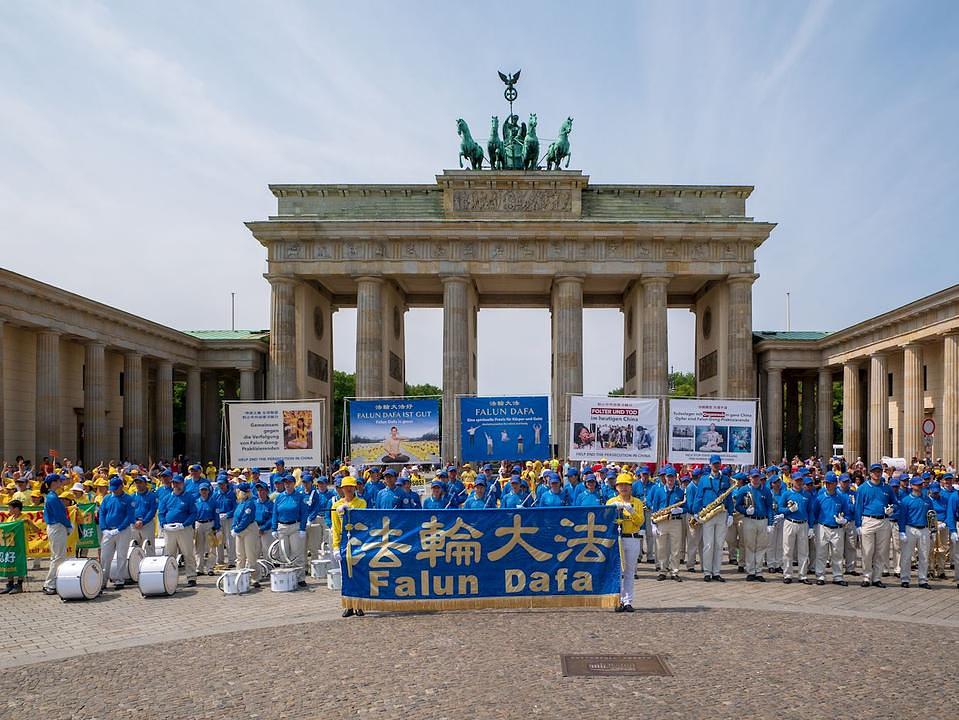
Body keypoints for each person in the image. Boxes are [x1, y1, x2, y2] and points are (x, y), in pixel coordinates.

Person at [691, 455, 733, 582]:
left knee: (719, 544)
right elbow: (698, 497)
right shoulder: (704, 479)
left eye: (718, 463)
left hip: (721, 514)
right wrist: (696, 512)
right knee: (708, 544)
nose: (716, 466)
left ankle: (716, 572)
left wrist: (730, 513)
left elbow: (729, 498)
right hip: (708, 513)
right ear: (710, 465)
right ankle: (707, 572)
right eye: (714, 464)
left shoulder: (726, 479)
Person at [855, 462, 898, 588]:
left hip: (883, 520)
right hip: (868, 520)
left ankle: (877, 577)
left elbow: (895, 502)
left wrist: (892, 509)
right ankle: (867, 576)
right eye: (875, 472)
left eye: (879, 471)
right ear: (870, 473)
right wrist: (858, 524)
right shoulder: (863, 488)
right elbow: (858, 507)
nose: (877, 474)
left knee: (881, 551)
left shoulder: (887, 487)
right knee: (867, 551)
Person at [607, 474, 644, 612]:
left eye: (626, 485)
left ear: (631, 487)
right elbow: (606, 520)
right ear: (616, 487)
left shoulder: (637, 503)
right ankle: (617, 600)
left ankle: (627, 600)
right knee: (617, 571)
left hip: (632, 538)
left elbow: (640, 522)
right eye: (620, 485)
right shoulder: (611, 502)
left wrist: (632, 511)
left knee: (629, 571)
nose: (623, 487)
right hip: (617, 539)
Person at [332, 476, 366, 618]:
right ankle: (348, 605)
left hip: (358, 541)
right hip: (344, 543)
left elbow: (362, 520)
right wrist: (335, 546)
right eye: (346, 487)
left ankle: (359, 605)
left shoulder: (361, 502)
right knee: (346, 576)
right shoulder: (336, 505)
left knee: (358, 574)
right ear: (342, 488)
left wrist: (348, 511)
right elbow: (336, 527)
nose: (349, 489)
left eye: (351, 486)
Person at [157, 474, 199, 587]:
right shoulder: (167, 498)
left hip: (184, 529)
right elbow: (161, 513)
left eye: (178, 483)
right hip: (169, 529)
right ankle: (170, 577)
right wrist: (163, 524)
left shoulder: (189, 497)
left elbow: (193, 513)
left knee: (188, 553)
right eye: (174, 483)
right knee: (170, 554)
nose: (176, 485)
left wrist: (184, 524)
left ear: (183, 484)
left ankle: (191, 577)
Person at [811, 472, 851, 586]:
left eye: (831, 483)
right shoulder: (820, 498)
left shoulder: (841, 498)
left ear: (835, 483)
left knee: (837, 553)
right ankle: (820, 575)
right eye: (827, 483)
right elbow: (815, 512)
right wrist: (813, 526)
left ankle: (838, 576)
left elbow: (848, 513)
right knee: (821, 552)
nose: (828, 485)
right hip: (823, 527)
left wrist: (844, 520)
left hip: (837, 528)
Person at [734, 469, 774, 582]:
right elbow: (737, 506)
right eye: (754, 477)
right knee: (749, 545)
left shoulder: (766, 490)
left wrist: (770, 523)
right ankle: (751, 571)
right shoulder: (744, 489)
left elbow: (770, 507)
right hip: (749, 519)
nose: (756, 479)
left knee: (761, 547)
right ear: (750, 478)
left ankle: (759, 571)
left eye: (757, 477)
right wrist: (746, 511)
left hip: (762, 520)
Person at [647, 466, 686, 581]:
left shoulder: (680, 491)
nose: (670, 479)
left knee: (676, 548)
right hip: (662, 521)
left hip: (675, 522)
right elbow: (654, 507)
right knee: (661, 547)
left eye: (672, 477)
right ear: (665, 477)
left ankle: (675, 571)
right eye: (668, 477)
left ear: (675, 477)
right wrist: (653, 523)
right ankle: (663, 570)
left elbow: (687, 506)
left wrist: (681, 510)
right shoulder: (659, 491)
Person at [98, 475, 135, 590]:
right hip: (108, 531)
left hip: (122, 531)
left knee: (121, 555)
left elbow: (129, 516)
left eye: (116, 488)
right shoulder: (107, 498)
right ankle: (103, 580)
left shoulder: (128, 499)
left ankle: (120, 579)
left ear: (121, 487)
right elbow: (102, 513)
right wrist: (104, 528)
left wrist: (119, 528)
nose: (114, 490)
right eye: (112, 488)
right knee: (105, 556)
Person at [897, 475, 933, 589]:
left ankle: (923, 579)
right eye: (917, 484)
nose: (920, 486)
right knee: (907, 556)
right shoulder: (906, 500)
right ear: (911, 486)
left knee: (924, 556)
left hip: (924, 529)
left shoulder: (927, 499)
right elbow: (902, 517)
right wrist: (902, 531)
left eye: (920, 484)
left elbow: (931, 515)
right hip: (910, 528)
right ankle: (905, 578)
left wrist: (933, 530)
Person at [272, 474, 308, 587]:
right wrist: (274, 528)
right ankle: (287, 576)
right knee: (284, 553)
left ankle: (300, 577)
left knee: (297, 553)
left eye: (289, 483)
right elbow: (275, 513)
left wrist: (302, 528)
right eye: (285, 483)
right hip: (282, 527)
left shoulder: (299, 496)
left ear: (294, 484)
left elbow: (304, 513)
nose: (287, 485)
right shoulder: (279, 497)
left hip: (295, 526)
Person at [41, 474, 72, 596]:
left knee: (57, 556)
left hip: (56, 527)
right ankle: (49, 584)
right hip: (57, 527)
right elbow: (60, 515)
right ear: (53, 482)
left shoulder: (51, 496)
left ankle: (53, 582)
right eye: (59, 480)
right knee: (58, 557)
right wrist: (68, 525)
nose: (61, 482)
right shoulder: (52, 497)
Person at [780, 472, 813, 585]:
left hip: (803, 524)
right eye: (797, 480)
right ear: (792, 481)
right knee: (788, 549)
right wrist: (789, 510)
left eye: (800, 480)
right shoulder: (786, 494)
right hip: (790, 522)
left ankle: (802, 575)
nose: (799, 482)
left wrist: (811, 527)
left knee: (804, 551)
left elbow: (810, 511)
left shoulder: (807, 495)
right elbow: (779, 508)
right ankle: (787, 574)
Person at [0, 500, 34, 594]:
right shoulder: (10, 519)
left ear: (16, 509)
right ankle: (9, 584)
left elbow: (36, 530)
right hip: (10, 546)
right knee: (8, 563)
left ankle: (19, 585)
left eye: (10, 508)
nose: (8, 510)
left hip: (20, 546)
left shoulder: (25, 518)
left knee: (19, 564)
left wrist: (29, 522)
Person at [231, 482, 261, 586]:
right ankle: (240, 576)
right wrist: (233, 527)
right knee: (240, 555)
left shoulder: (250, 503)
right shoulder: (240, 503)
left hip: (249, 530)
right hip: (240, 530)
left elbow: (246, 519)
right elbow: (236, 517)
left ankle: (254, 578)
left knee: (250, 555)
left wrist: (237, 529)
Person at [194, 482, 221, 576]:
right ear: (199, 491)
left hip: (210, 524)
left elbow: (216, 515)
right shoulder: (196, 501)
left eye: (205, 490)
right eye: (202, 490)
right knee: (198, 547)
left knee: (211, 548)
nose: (204, 492)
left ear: (208, 491)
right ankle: (199, 568)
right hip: (199, 524)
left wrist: (216, 527)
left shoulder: (213, 502)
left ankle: (210, 567)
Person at [213, 476, 237, 568]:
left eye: (222, 484)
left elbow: (235, 507)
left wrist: (228, 514)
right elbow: (213, 506)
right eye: (219, 484)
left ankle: (232, 561)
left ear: (226, 484)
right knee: (219, 540)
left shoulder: (231, 494)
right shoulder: (216, 494)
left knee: (229, 540)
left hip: (228, 518)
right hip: (218, 518)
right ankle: (220, 560)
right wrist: (216, 515)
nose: (221, 486)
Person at [130, 475, 158, 556]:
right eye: (136, 483)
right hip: (134, 524)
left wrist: (143, 521)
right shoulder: (132, 496)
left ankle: (151, 565)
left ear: (145, 484)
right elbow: (129, 511)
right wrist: (135, 521)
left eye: (140, 483)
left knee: (149, 547)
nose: (138, 485)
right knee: (134, 547)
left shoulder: (152, 496)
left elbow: (152, 510)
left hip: (147, 524)